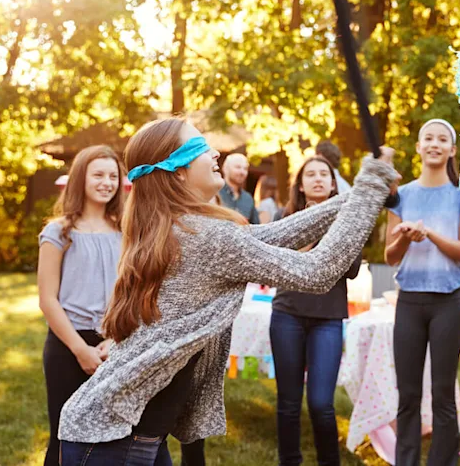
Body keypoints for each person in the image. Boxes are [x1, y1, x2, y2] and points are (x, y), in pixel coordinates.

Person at [57, 117, 398, 465]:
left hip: (121, 431)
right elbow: (317, 271)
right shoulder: (204, 236)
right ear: (177, 171)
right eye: (202, 147)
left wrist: (361, 195)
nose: (216, 152)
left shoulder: (176, 227)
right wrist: (370, 189)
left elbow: (272, 236)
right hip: (113, 440)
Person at [384, 118, 460, 466]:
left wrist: (431, 236)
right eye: (428, 138)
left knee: (443, 393)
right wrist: (404, 238)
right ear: (419, 147)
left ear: (453, 150)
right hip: (409, 302)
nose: (435, 144)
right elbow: (389, 255)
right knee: (408, 395)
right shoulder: (401, 195)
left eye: (443, 139)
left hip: (447, 303)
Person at [269, 156, 361, 466]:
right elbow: (277, 265)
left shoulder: (347, 219)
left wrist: (332, 234)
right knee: (288, 403)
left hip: (328, 318)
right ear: (301, 184)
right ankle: (289, 461)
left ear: (334, 184)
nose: (318, 178)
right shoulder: (286, 218)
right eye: (311, 174)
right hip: (288, 314)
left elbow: (352, 270)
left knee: (322, 403)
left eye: (325, 174)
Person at [37, 145, 125, 466]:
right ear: (81, 179)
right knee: (64, 437)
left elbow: (131, 293)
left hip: (115, 343)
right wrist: (80, 349)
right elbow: (47, 300)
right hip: (68, 344)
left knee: (113, 437)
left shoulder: (125, 230)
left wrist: (114, 341)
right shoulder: (59, 231)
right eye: (98, 174)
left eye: (113, 176)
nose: (107, 182)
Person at [219, 152, 260, 223]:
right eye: (238, 167)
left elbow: (256, 227)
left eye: (245, 169)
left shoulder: (248, 198)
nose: (242, 172)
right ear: (225, 169)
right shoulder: (215, 193)